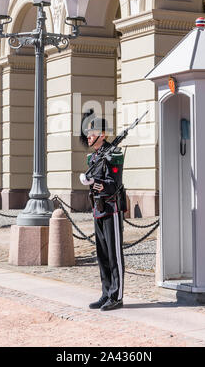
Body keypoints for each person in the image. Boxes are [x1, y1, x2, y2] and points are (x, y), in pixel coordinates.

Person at [80, 117, 125, 311]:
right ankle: (106, 292)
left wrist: (94, 183)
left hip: (111, 207)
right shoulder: (93, 157)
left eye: (92, 133)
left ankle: (117, 295)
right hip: (97, 209)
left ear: (103, 134)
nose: (88, 137)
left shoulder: (113, 154)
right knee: (102, 255)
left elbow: (114, 185)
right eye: (88, 133)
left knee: (114, 255)